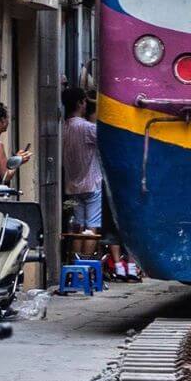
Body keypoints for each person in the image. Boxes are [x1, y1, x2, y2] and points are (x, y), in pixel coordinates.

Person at [62, 86, 128, 277]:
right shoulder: (87, 128)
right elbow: (110, 139)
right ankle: (86, 269)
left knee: (78, 228)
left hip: (72, 184)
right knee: (91, 228)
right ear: (81, 103)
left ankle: (75, 267)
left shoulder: (65, 127)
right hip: (92, 183)